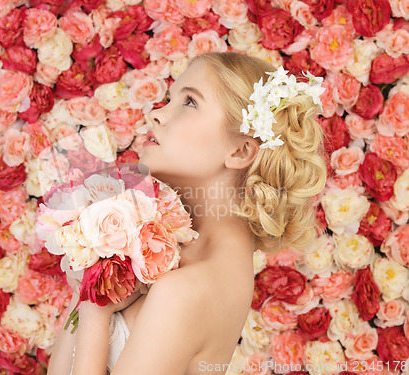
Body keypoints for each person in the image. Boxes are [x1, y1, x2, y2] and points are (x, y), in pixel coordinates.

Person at [47, 51, 328, 375]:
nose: (156, 114)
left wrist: (94, 310)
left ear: (240, 150)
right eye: (169, 98)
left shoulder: (188, 288)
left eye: (190, 102)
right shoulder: (170, 249)